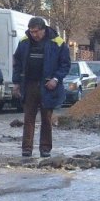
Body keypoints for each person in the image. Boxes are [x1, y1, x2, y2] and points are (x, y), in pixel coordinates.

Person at [12, 17, 71, 158]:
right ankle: (26, 148)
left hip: (48, 86)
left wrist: (56, 79)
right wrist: (16, 83)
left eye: (36, 32)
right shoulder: (24, 42)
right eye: (31, 32)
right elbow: (17, 63)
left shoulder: (57, 42)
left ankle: (45, 148)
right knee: (29, 118)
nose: (34, 34)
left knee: (46, 118)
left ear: (43, 29)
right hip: (30, 85)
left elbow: (65, 64)